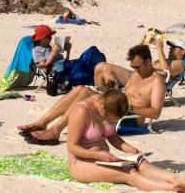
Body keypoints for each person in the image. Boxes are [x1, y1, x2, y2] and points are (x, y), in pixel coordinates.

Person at [18, 43, 174, 143]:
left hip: (128, 118)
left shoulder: (156, 83)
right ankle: (42, 123)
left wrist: (130, 108)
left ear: (148, 62)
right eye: (133, 67)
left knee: (88, 97)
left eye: (138, 67)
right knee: (81, 90)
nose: (134, 70)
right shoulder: (135, 75)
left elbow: (155, 113)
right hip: (115, 109)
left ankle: (56, 130)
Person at [66, 87, 185, 193]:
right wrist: (98, 155)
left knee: (140, 161)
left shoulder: (109, 107)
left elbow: (113, 137)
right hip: (81, 163)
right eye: (109, 117)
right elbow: (72, 147)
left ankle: (177, 179)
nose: (110, 120)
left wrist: (130, 149)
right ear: (101, 104)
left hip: (103, 158)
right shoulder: (82, 111)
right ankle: (175, 188)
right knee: (129, 173)